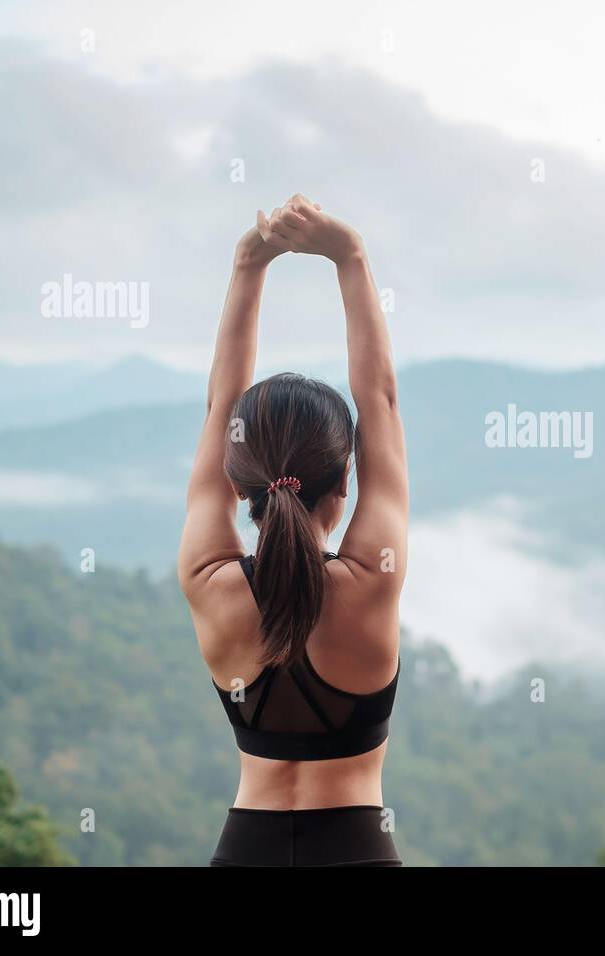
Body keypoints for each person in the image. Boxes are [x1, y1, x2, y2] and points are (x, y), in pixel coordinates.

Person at [178, 195, 407, 866]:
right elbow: (381, 402)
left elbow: (223, 404)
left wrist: (248, 265)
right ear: (347, 481)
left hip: (245, 849)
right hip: (358, 848)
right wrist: (350, 256)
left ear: (239, 482)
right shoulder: (372, 581)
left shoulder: (208, 581)